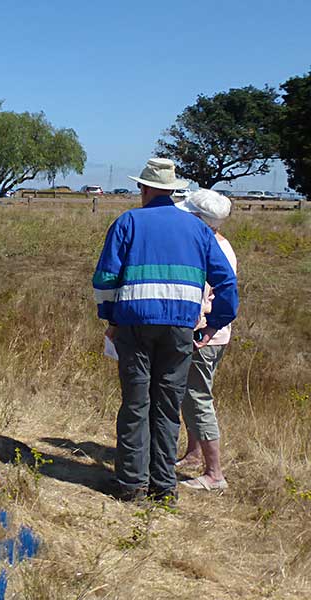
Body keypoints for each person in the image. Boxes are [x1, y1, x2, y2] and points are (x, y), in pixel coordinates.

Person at [93, 158, 238, 505]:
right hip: (179, 329)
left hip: (135, 324)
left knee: (136, 404)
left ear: (144, 188)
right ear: (173, 191)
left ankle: (131, 485)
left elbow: (106, 278)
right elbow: (226, 282)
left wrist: (110, 318)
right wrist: (213, 323)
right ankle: (163, 486)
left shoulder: (128, 221)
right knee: (168, 406)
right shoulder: (199, 230)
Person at [174, 190, 237, 492]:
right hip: (212, 333)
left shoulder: (211, 250)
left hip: (204, 336)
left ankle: (214, 474)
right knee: (193, 395)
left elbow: (207, 298)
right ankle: (193, 453)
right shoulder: (220, 244)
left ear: (201, 221)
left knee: (198, 399)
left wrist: (204, 329)